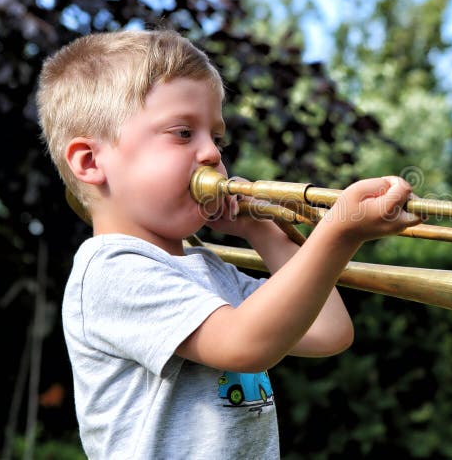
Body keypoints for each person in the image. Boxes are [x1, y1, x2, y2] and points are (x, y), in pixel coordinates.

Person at [36, 28, 421, 459]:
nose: (211, 154)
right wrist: (339, 231)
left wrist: (265, 232)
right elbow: (244, 343)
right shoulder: (111, 270)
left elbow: (328, 332)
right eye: (184, 133)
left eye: (215, 138)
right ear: (91, 162)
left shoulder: (207, 268)